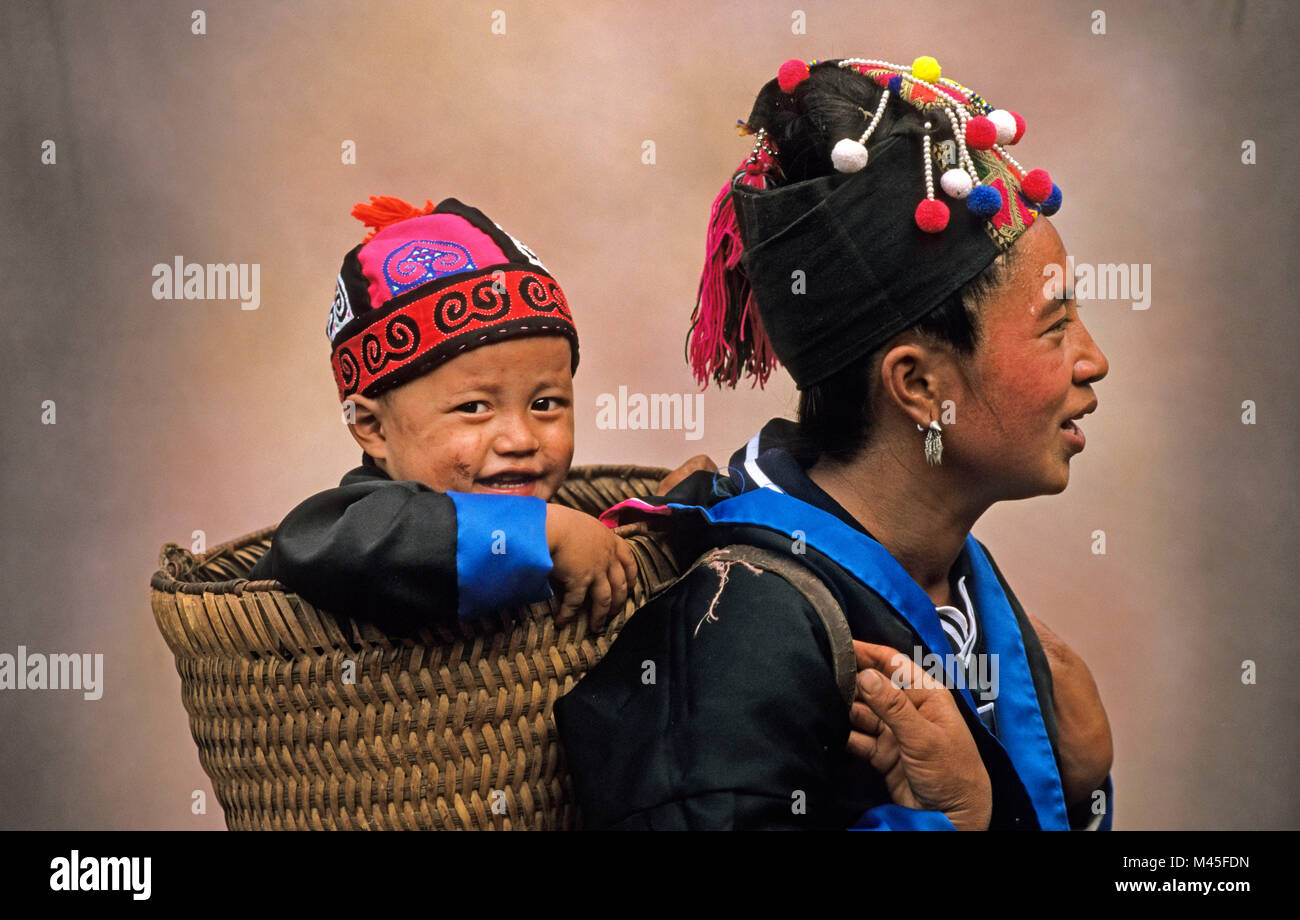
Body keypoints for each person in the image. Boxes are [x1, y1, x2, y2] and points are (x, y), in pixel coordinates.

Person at [554, 56, 1114, 830]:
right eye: (1056, 327)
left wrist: (1080, 793)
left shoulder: (960, 585)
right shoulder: (742, 627)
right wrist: (950, 820)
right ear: (917, 386)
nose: (1094, 360)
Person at [249, 196, 708, 632]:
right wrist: (544, 532)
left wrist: (663, 516)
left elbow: (593, 552)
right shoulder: (345, 526)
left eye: (544, 404)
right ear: (374, 429)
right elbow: (342, 550)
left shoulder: (543, 512)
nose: (519, 438)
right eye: (474, 407)